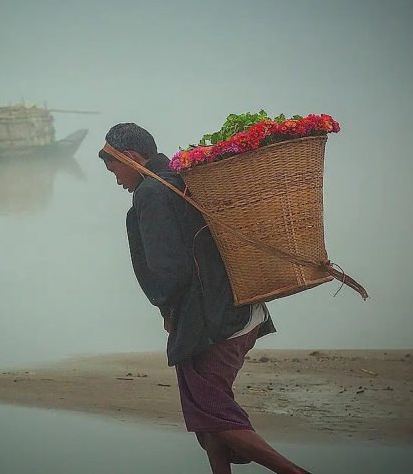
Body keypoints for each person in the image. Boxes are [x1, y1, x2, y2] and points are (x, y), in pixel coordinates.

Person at [99, 123, 312, 474]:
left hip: (212, 321)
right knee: (208, 415)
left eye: (115, 169)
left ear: (132, 158)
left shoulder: (152, 193)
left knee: (215, 414)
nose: (118, 180)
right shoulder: (180, 178)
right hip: (243, 309)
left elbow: (171, 271)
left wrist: (167, 309)